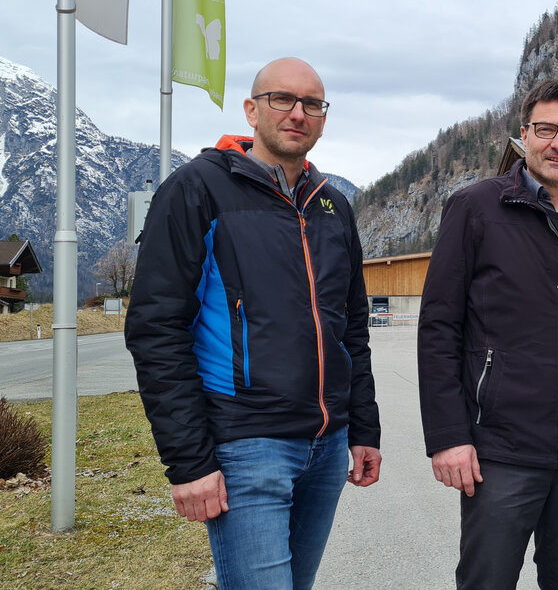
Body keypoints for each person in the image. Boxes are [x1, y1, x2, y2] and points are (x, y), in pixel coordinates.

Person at [125, 57, 382, 590]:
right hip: (248, 444)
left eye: (312, 104)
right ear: (252, 109)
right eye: (281, 99)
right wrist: (189, 462)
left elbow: (351, 328)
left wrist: (364, 429)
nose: (298, 113)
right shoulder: (197, 189)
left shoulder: (333, 205)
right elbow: (156, 329)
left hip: (328, 445)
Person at [417, 78, 558, 589]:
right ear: (524, 134)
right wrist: (448, 436)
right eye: (546, 129)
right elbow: (438, 328)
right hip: (500, 450)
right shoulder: (476, 208)